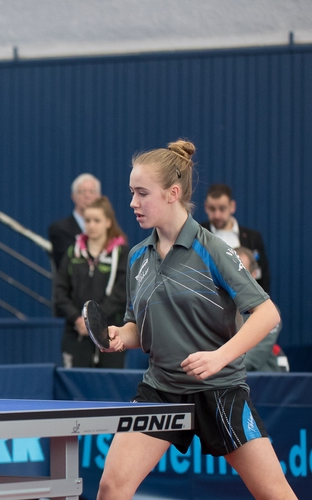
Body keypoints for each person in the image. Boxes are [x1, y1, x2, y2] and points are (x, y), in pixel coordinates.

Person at [97, 140, 296, 500]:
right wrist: (119, 336)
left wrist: (219, 357)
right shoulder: (138, 257)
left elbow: (267, 314)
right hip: (160, 390)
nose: (132, 203)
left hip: (220, 388)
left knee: (274, 493)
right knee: (112, 488)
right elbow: (138, 330)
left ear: (173, 193)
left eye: (142, 193)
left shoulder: (213, 249)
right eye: (131, 193)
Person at [54, 196, 128, 368]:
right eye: (87, 220)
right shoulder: (73, 253)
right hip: (76, 332)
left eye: (97, 220)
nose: (91, 225)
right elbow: (60, 291)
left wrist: (94, 322)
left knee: (107, 390)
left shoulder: (121, 254)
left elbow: (121, 294)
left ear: (108, 222)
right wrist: (78, 319)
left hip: (110, 333)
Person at [201, 183, 270, 293]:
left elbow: (262, 278)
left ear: (232, 206)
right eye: (212, 209)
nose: (217, 215)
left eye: (222, 209)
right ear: (205, 207)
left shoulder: (252, 238)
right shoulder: (198, 234)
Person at [234, 246, 288, 372]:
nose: (234, 278)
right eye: (229, 272)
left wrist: (219, 365)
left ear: (253, 275)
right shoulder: (214, 308)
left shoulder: (268, 312)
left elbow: (255, 356)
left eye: (241, 271)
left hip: (261, 382)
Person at [48, 173, 101, 269]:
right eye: (82, 192)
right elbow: (66, 265)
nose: (87, 196)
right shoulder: (59, 229)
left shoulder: (107, 228)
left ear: (99, 196)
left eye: (92, 192)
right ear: (73, 196)